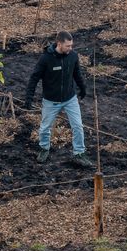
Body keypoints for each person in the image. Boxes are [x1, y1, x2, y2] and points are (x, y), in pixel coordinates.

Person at [24, 31, 92, 168]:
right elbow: (34, 78)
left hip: (70, 99)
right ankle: (44, 148)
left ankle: (79, 152)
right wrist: (29, 97)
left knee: (78, 126)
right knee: (45, 128)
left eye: (71, 45)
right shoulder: (46, 59)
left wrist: (82, 88)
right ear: (59, 44)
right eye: (68, 46)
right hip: (51, 101)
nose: (70, 48)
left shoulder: (72, 56)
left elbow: (77, 73)